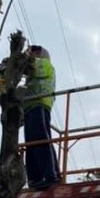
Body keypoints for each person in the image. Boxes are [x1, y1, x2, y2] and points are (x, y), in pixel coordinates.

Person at [22, 45, 61, 190]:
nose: (32, 54)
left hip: (40, 104)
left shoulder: (45, 64)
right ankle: (34, 179)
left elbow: (32, 67)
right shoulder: (32, 71)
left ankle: (51, 175)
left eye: (35, 52)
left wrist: (22, 60)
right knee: (30, 144)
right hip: (30, 107)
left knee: (40, 139)